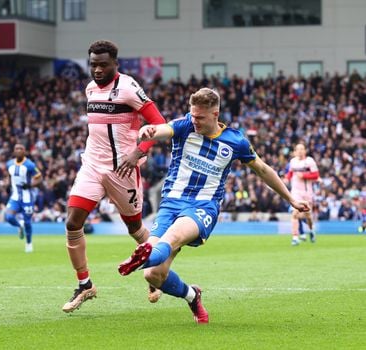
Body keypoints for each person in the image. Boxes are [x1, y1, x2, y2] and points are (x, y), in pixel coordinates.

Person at [117, 88, 310, 323]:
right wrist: (150, 131)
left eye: (200, 117)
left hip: (203, 206)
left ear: (215, 114)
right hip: (171, 203)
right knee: (153, 275)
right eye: (192, 115)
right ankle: (191, 295)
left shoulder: (235, 141)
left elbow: (262, 169)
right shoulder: (184, 125)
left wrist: (291, 199)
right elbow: (164, 129)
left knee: (175, 236)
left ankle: (145, 255)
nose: (194, 120)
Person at [62, 40, 166, 313]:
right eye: (93, 64)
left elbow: (160, 124)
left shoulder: (129, 89)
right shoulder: (90, 89)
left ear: (115, 64)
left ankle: (154, 271)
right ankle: (85, 285)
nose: (97, 69)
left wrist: (139, 150)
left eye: (102, 64)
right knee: (73, 222)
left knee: (134, 228)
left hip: (122, 170)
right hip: (92, 166)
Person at [5, 143, 42, 253]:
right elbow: (9, 176)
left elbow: (39, 177)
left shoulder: (29, 165)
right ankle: (19, 225)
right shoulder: (9, 164)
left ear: (24, 151)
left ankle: (29, 243)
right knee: (9, 217)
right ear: (14, 151)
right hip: (15, 196)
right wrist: (7, 185)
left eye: (21, 148)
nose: (19, 150)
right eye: (17, 148)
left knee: (27, 222)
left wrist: (31, 185)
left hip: (27, 198)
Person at [284, 143, 319, 245]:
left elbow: (316, 175)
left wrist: (304, 175)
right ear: (295, 151)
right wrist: (286, 179)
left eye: (302, 149)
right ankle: (295, 237)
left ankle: (311, 230)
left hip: (307, 192)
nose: (299, 151)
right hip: (295, 192)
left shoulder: (310, 161)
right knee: (295, 213)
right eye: (297, 149)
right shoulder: (293, 162)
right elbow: (290, 173)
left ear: (305, 151)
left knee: (308, 216)